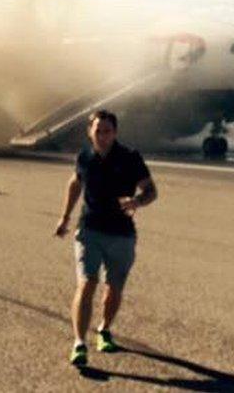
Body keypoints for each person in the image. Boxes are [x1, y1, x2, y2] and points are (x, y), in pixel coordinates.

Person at [53, 109, 157, 366]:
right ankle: (79, 343)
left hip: (121, 234)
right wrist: (65, 217)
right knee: (86, 284)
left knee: (114, 288)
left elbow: (151, 190)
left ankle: (104, 329)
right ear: (90, 132)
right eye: (98, 131)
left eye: (107, 131)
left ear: (115, 133)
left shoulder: (130, 158)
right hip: (89, 230)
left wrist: (137, 201)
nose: (102, 136)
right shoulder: (85, 157)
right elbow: (75, 183)